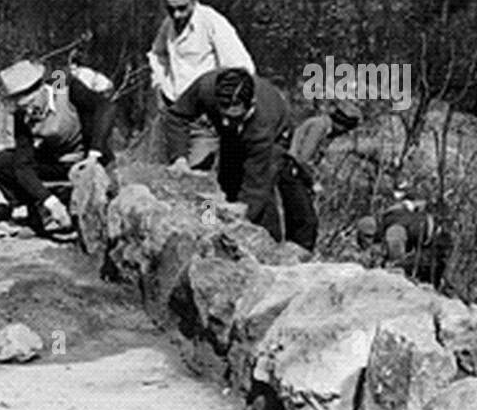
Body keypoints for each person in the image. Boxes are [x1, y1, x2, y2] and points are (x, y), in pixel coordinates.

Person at [164, 66, 316, 247]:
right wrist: (179, 158)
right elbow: (176, 116)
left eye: (234, 117)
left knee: (259, 201)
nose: (226, 122)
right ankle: (208, 229)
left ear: (250, 105)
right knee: (219, 186)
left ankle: (266, 247)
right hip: (235, 136)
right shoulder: (206, 88)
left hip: (274, 139)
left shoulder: (263, 122)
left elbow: (255, 187)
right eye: (224, 114)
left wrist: (237, 216)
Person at [0, 59, 115, 238]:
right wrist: (51, 203)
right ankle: (38, 210)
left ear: (40, 89)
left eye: (31, 103)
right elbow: (23, 164)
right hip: (57, 162)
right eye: (22, 106)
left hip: (88, 159)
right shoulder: (22, 116)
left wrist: (93, 155)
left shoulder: (64, 87)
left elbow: (104, 107)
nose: (29, 110)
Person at [148, 0, 256, 170]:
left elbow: (242, 68)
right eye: (171, 9)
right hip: (174, 116)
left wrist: (223, 103)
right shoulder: (168, 25)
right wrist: (160, 84)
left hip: (204, 118)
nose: (177, 15)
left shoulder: (212, 22)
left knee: (196, 178)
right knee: (167, 176)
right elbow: (157, 54)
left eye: (182, 8)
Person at [282, 100, 364, 252]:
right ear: (341, 124)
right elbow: (303, 159)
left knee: (297, 219)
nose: (343, 133)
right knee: (307, 222)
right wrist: (313, 183)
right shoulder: (319, 126)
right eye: (345, 129)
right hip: (291, 172)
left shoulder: (324, 127)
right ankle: (300, 257)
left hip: (296, 173)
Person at [356, 189, 452, 288]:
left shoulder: (392, 230)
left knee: (399, 271)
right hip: (438, 240)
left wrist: (392, 264)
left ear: (371, 235)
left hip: (435, 246)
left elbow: (396, 253)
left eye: (367, 240)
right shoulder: (392, 212)